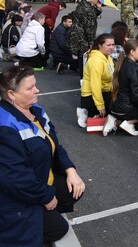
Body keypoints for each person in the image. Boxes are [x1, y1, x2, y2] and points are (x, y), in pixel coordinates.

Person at [0, 66, 85, 245]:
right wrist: (45, 196)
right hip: (16, 197)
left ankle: (43, 213)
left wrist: (70, 169)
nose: (37, 90)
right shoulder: (5, 126)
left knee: (74, 190)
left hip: (39, 181)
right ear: (11, 94)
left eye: (35, 85)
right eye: (30, 88)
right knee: (59, 230)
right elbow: (16, 177)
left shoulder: (36, 110)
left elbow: (54, 144)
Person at [77, 34, 115, 128]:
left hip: (104, 91)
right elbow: (95, 85)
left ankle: (88, 112)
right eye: (108, 45)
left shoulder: (107, 57)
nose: (111, 47)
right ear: (100, 45)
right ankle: (86, 112)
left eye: (113, 45)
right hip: (91, 95)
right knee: (113, 118)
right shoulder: (96, 60)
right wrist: (100, 106)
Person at [68, 0, 103, 78]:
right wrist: (91, 43)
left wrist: (98, 8)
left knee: (82, 59)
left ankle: (83, 79)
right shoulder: (87, 9)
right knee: (84, 60)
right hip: (82, 38)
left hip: (77, 35)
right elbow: (89, 28)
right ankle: (84, 81)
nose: (98, 0)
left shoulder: (84, 5)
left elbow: (93, 14)